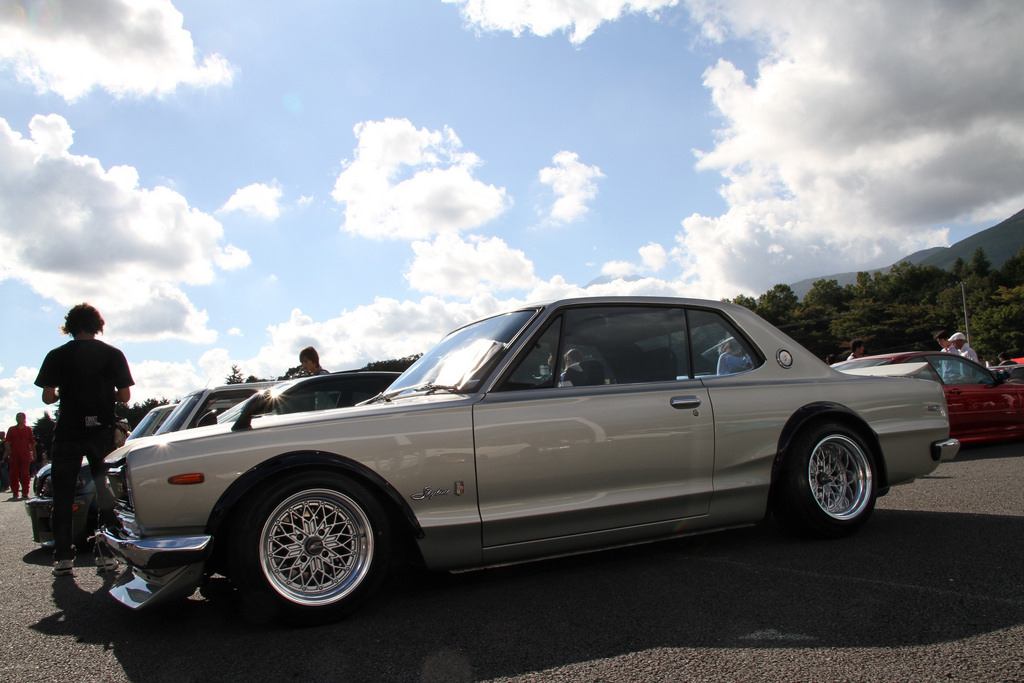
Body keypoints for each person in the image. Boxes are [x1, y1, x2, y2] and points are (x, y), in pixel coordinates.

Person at [35, 303, 134, 577]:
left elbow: (47, 397)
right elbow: (124, 396)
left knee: (63, 494)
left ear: (69, 326)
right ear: (97, 325)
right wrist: (103, 394)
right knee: (105, 491)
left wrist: (64, 394)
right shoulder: (113, 354)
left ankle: (63, 558)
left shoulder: (56, 355)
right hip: (101, 430)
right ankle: (106, 554)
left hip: (68, 430)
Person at [4, 413, 36, 500]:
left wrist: (34, 454)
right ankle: (15, 492)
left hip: (25, 455)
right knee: (13, 474)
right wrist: (9, 452)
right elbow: (7, 442)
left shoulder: (28, 429)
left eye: (20, 417)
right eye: (17, 417)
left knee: (25, 474)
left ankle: (25, 492)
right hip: (14, 455)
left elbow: (31, 443)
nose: (18, 418)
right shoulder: (12, 429)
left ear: (24, 418)